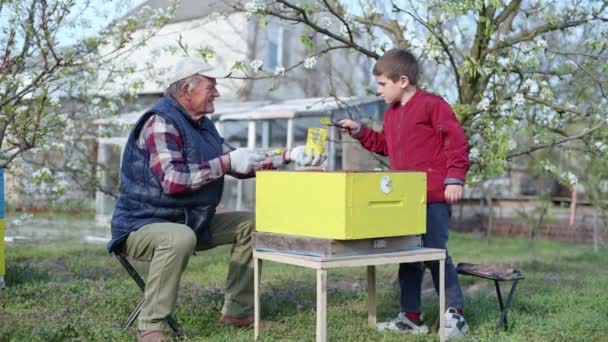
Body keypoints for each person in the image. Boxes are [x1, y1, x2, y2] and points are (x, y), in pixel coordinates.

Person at [107, 57, 324, 342]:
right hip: (141, 226)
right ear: (187, 90)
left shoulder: (203, 126)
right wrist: (224, 162)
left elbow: (237, 162)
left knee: (252, 224)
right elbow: (172, 180)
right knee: (178, 237)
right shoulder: (160, 122)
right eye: (211, 86)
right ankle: (150, 327)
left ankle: (238, 311)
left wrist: (288, 156)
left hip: (190, 223)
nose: (218, 93)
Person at [338, 49, 470, 339]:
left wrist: (455, 178)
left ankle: (455, 315)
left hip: (432, 196)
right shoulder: (392, 113)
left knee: (436, 253)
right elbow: (386, 145)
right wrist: (360, 131)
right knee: (408, 255)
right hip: (403, 200)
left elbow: (456, 141)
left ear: (403, 80)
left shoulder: (432, 105)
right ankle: (411, 317)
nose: (378, 89)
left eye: (383, 84)